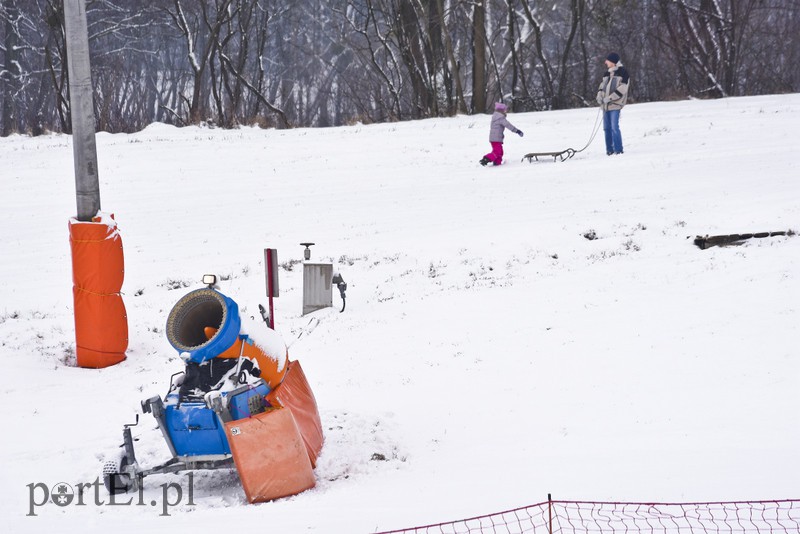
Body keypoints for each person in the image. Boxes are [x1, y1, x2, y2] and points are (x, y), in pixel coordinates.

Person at [596, 52, 630, 155]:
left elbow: (623, 88)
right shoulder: (606, 74)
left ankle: (618, 150)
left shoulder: (623, 72)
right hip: (605, 106)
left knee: (614, 127)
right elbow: (602, 87)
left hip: (615, 105)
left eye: (607, 60)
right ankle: (609, 150)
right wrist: (599, 96)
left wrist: (610, 98)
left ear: (613, 62)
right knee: (606, 128)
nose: (605, 62)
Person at [479, 102, 523, 166]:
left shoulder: (496, 117)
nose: (506, 112)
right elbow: (508, 125)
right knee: (497, 152)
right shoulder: (500, 118)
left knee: (500, 152)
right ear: (501, 111)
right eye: (505, 110)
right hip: (496, 138)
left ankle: (497, 163)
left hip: (494, 138)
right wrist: (517, 131)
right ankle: (486, 159)